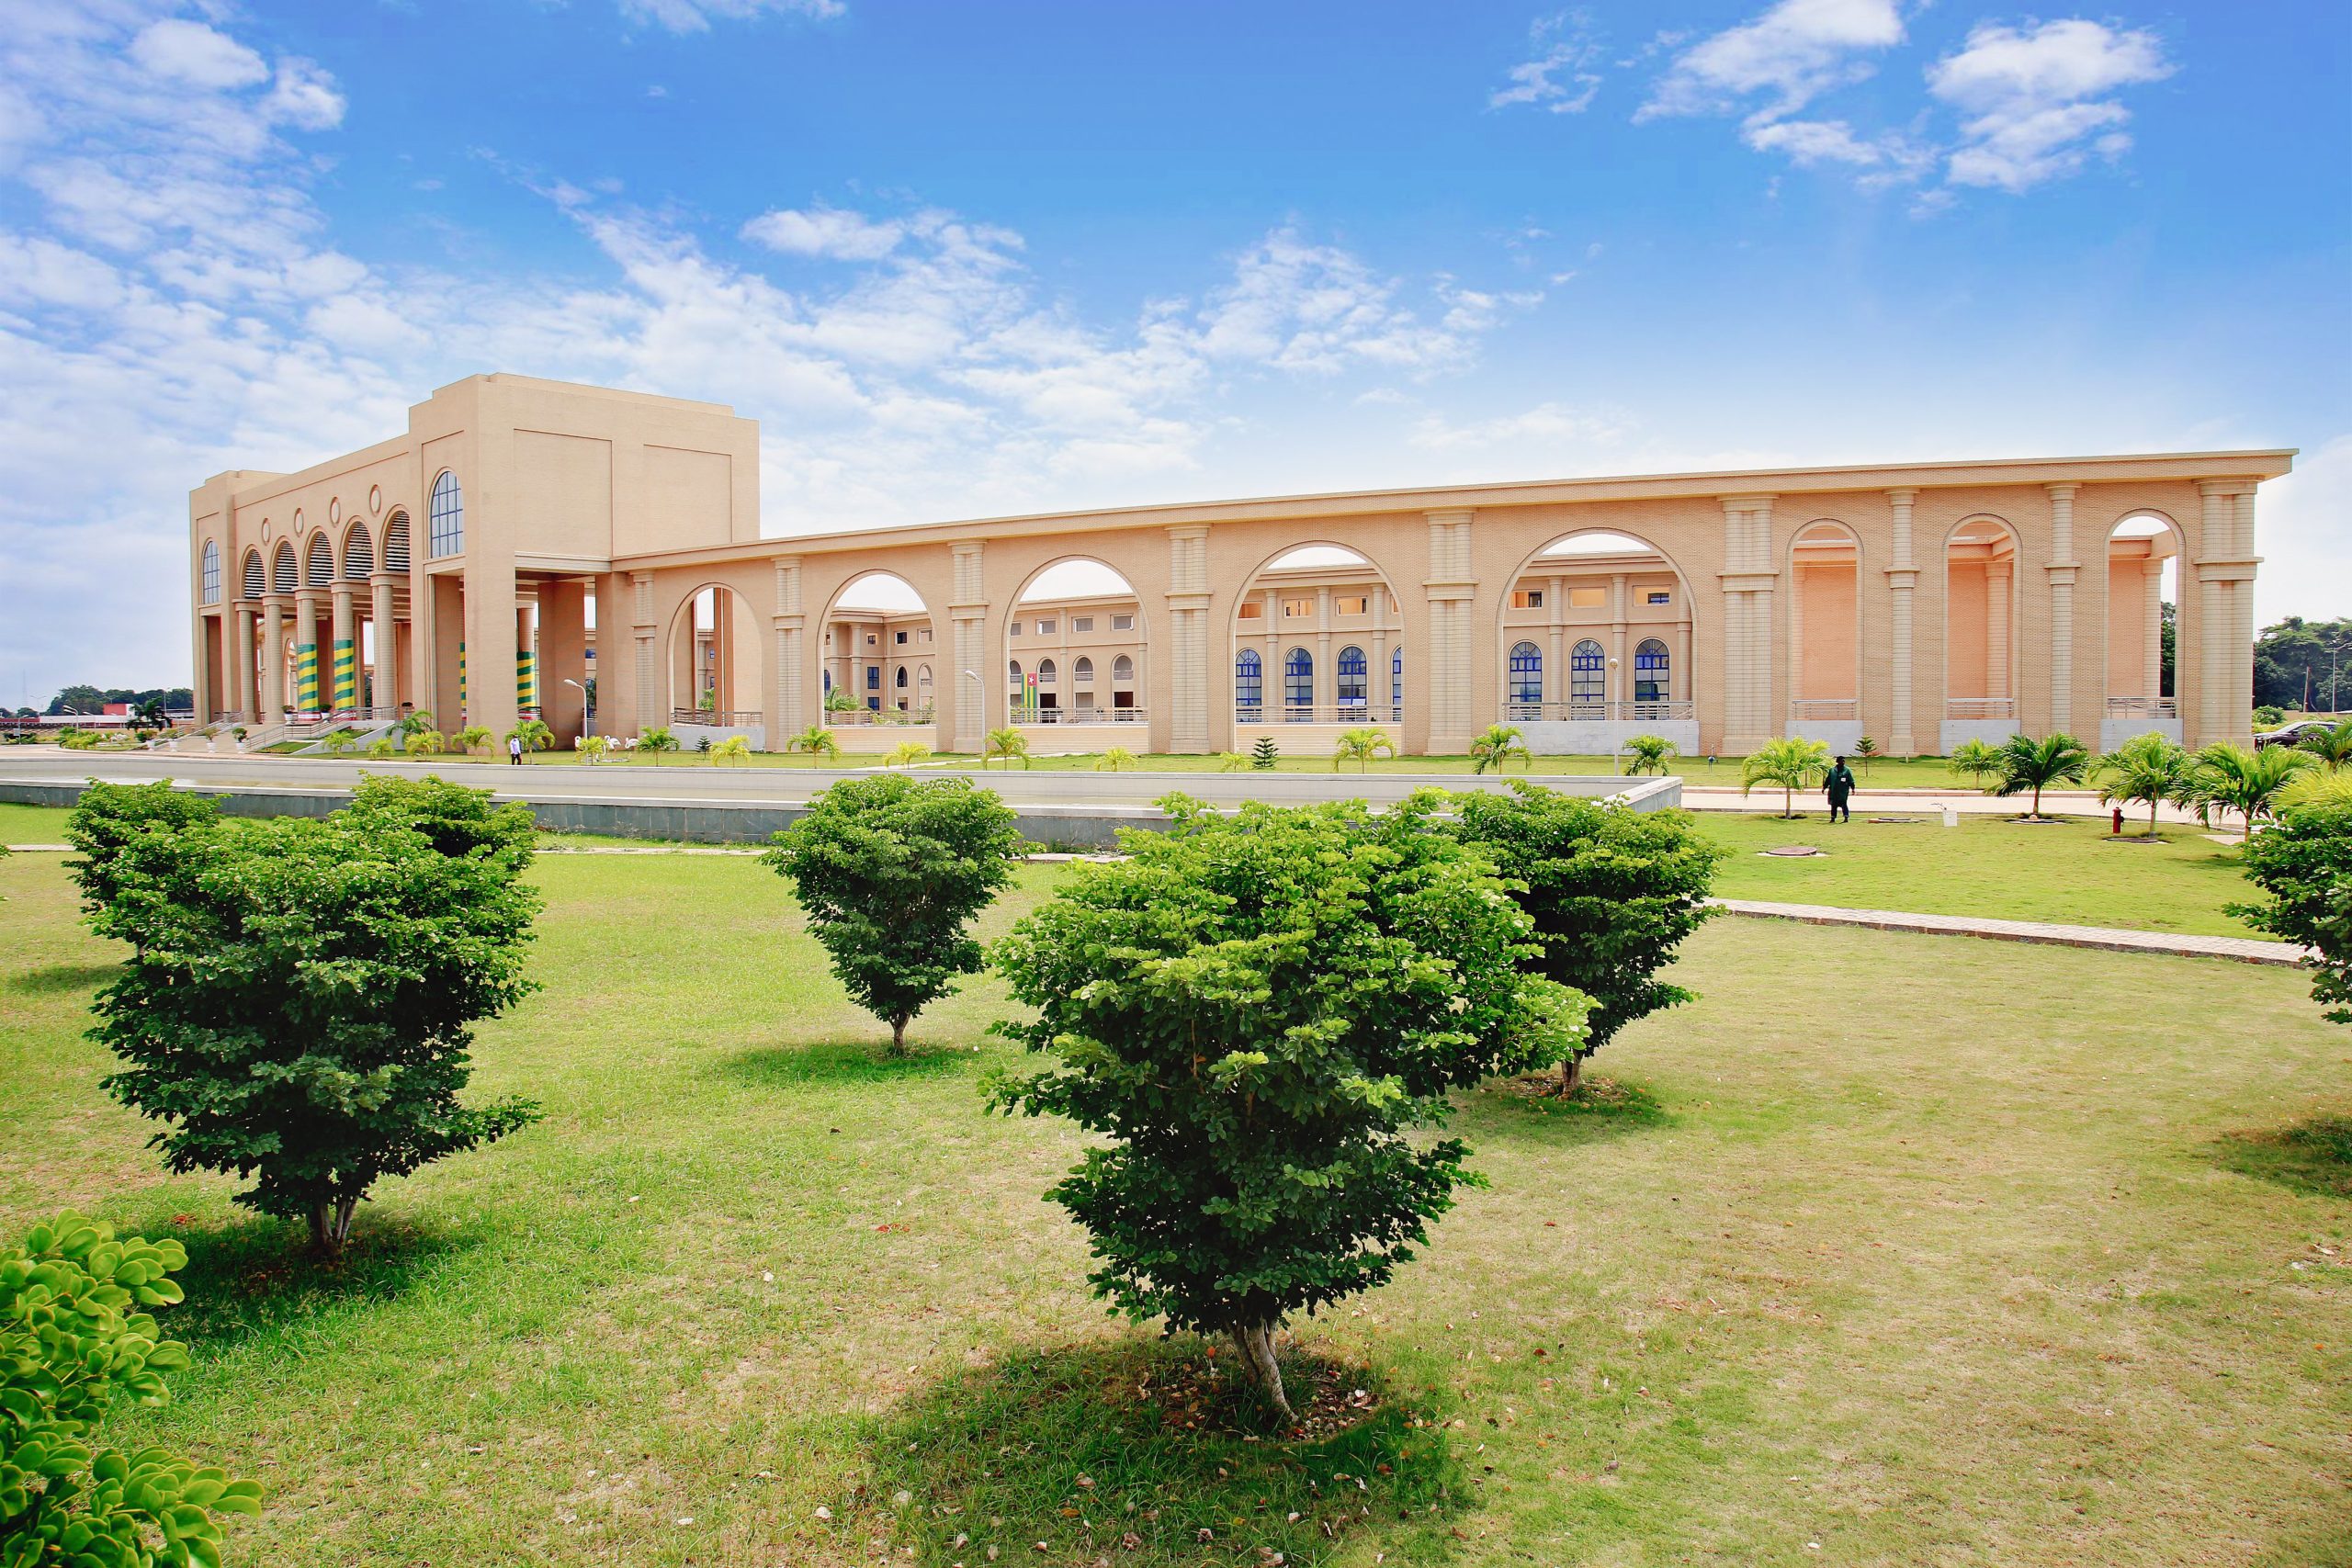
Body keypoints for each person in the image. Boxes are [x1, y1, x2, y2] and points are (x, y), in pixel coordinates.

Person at [1824, 754, 1856, 823]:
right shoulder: (1832, 770)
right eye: (1842, 761)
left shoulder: (1847, 770)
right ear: (1838, 762)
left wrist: (1853, 789)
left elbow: (1851, 780)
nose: (1843, 762)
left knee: (1844, 804)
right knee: (1833, 805)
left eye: (1844, 761)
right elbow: (1828, 780)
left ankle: (1846, 818)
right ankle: (1833, 818)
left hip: (1843, 792)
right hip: (1834, 791)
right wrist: (1824, 788)